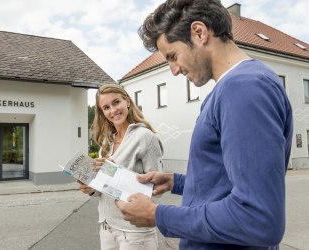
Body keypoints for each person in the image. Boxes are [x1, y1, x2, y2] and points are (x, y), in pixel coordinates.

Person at [115, 0, 293, 249]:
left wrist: (159, 215)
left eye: (173, 56)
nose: (174, 70)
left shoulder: (244, 89)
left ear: (199, 32)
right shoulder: (232, 89)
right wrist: (176, 181)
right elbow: (229, 183)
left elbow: (258, 218)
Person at [78, 83, 163, 250]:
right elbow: (107, 186)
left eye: (116, 102)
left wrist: (114, 171)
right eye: (106, 107)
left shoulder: (146, 138)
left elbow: (156, 190)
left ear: (128, 102)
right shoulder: (106, 142)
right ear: (102, 113)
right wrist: (91, 188)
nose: (113, 110)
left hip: (134, 233)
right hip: (107, 226)